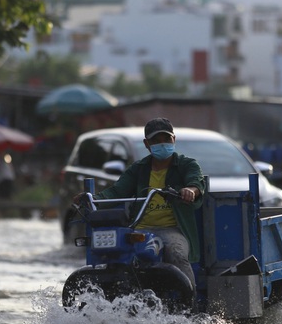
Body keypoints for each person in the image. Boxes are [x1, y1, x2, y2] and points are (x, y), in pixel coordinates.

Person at [75, 117, 206, 293]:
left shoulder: (187, 164)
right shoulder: (138, 168)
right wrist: (92, 199)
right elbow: (116, 191)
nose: (162, 144)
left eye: (166, 139)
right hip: (140, 229)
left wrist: (189, 190)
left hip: (172, 228)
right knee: (115, 254)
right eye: (156, 141)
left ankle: (190, 303)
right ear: (146, 144)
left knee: (177, 254)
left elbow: (196, 183)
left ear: (173, 139)